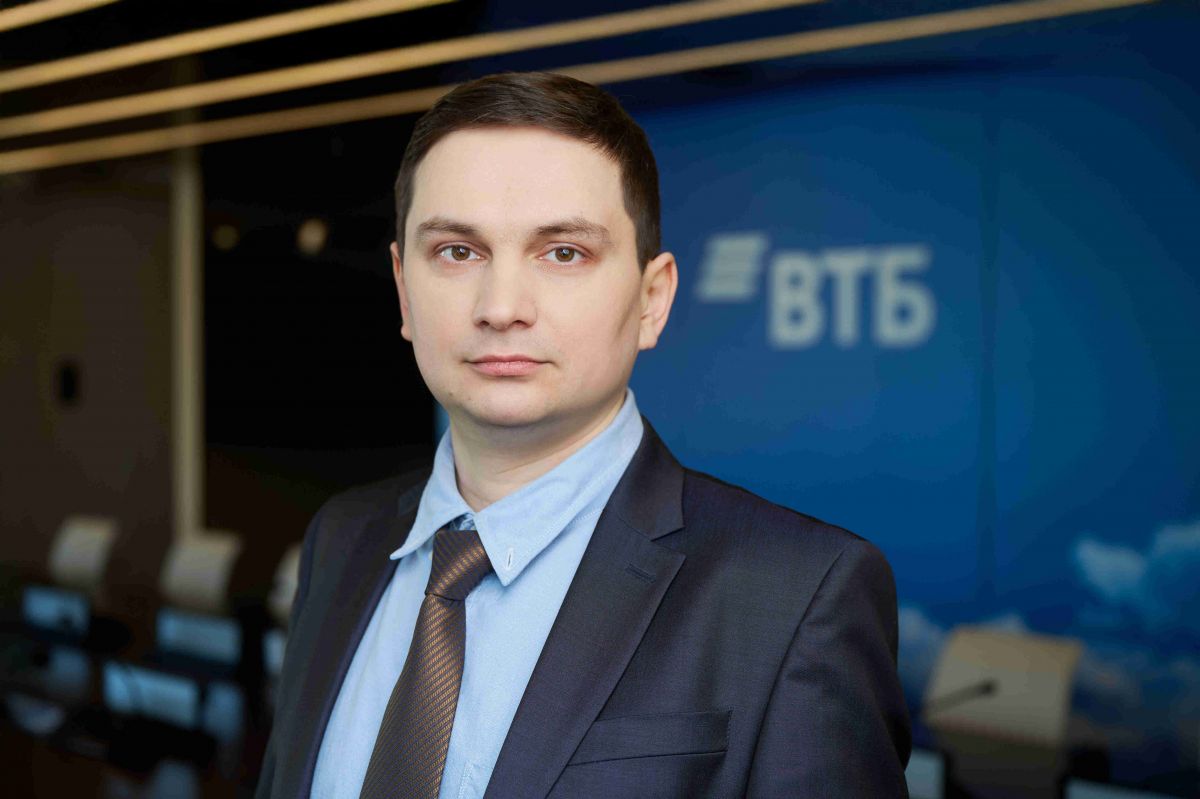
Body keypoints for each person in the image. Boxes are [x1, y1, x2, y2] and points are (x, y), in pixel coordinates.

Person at [256, 71, 910, 799]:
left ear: (652, 300)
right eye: (458, 252)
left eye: (563, 252)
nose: (501, 306)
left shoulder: (796, 597)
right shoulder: (341, 540)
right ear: (405, 291)